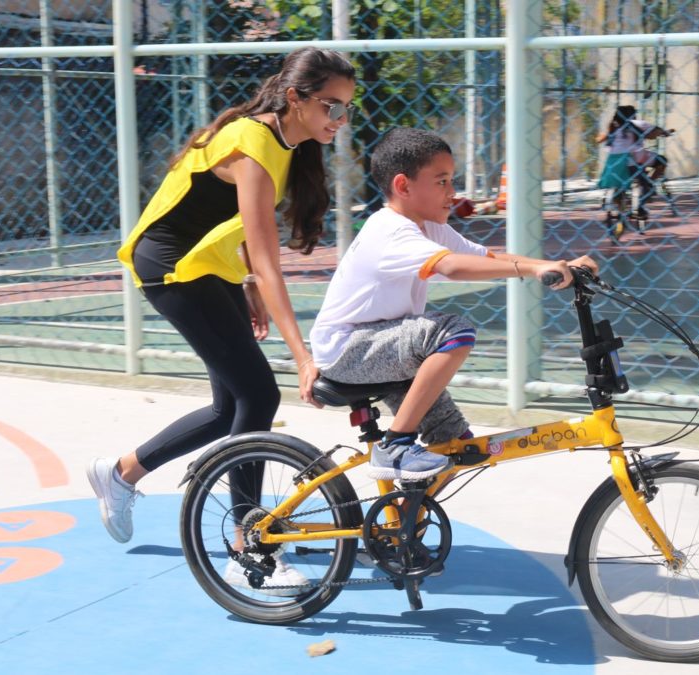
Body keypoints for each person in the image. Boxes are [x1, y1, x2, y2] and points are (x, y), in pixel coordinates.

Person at [87, 48, 356, 591]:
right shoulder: (253, 142)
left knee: (232, 403)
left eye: (347, 108)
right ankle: (246, 544)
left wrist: (245, 284)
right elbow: (265, 257)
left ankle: (120, 474)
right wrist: (301, 355)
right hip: (171, 266)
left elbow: (226, 226)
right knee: (258, 395)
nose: (339, 120)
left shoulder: (286, 142)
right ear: (296, 98)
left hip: (206, 263)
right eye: (330, 105)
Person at [309, 127, 598, 480]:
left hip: (386, 344)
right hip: (350, 349)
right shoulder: (391, 231)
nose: (453, 192)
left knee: (455, 446)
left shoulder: (428, 227)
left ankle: (400, 527)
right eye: (442, 182)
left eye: (452, 181)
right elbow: (452, 265)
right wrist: (534, 272)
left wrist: (554, 267)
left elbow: (487, 257)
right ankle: (394, 445)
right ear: (404, 186)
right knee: (452, 333)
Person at [595, 105, 674, 219]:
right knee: (657, 164)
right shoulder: (638, 124)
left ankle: (617, 207)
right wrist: (664, 132)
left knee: (619, 181)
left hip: (613, 162)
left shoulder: (613, 126)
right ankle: (644, 197)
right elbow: (653, 134)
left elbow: (601, 138)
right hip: (633, 159)